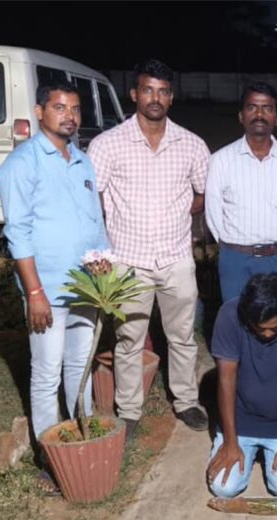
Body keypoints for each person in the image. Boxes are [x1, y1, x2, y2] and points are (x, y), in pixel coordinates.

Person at [87, 59, 211, 437]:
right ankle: (129, 410)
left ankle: (186, 401)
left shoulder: (191, 144)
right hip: (128, 261)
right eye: (147, 90)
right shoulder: (108, 144)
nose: (154, 98)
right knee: (128, 340)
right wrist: (102, 254)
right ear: (134, 94)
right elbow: (93, 201)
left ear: (171, 97)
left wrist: (175, 215)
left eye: (162, 91)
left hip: (175, 259)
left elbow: (203, 193)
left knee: (183, 336)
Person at [0, 81, 110, 484]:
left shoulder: (82, 161)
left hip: (85, 288)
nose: (70, 116)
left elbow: (96, 223)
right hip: (46, 292)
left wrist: (103, 270)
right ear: (40, 111)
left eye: (75, 109)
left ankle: (85, 433)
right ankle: (49, 454)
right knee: (46, 372)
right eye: (60, 107)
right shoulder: (22, 164)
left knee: (81, 366)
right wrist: (35, 293)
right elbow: (18, 234)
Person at [206, 273, 277, 498]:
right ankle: (245, 446)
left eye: (274, 329)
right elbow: (226, 381)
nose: (266, 334)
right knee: (223, 488)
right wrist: (230, 442)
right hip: (241, 418)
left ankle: (274, 448)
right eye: (259, 328)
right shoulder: (229, 314)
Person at [204, 82, 277, 302]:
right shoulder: (220, 160)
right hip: (236, 260)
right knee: (236, 323)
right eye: (252, 107)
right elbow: (213, 213)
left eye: (267, 108)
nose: (260, 114)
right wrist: (231, 249)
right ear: (241, 116)